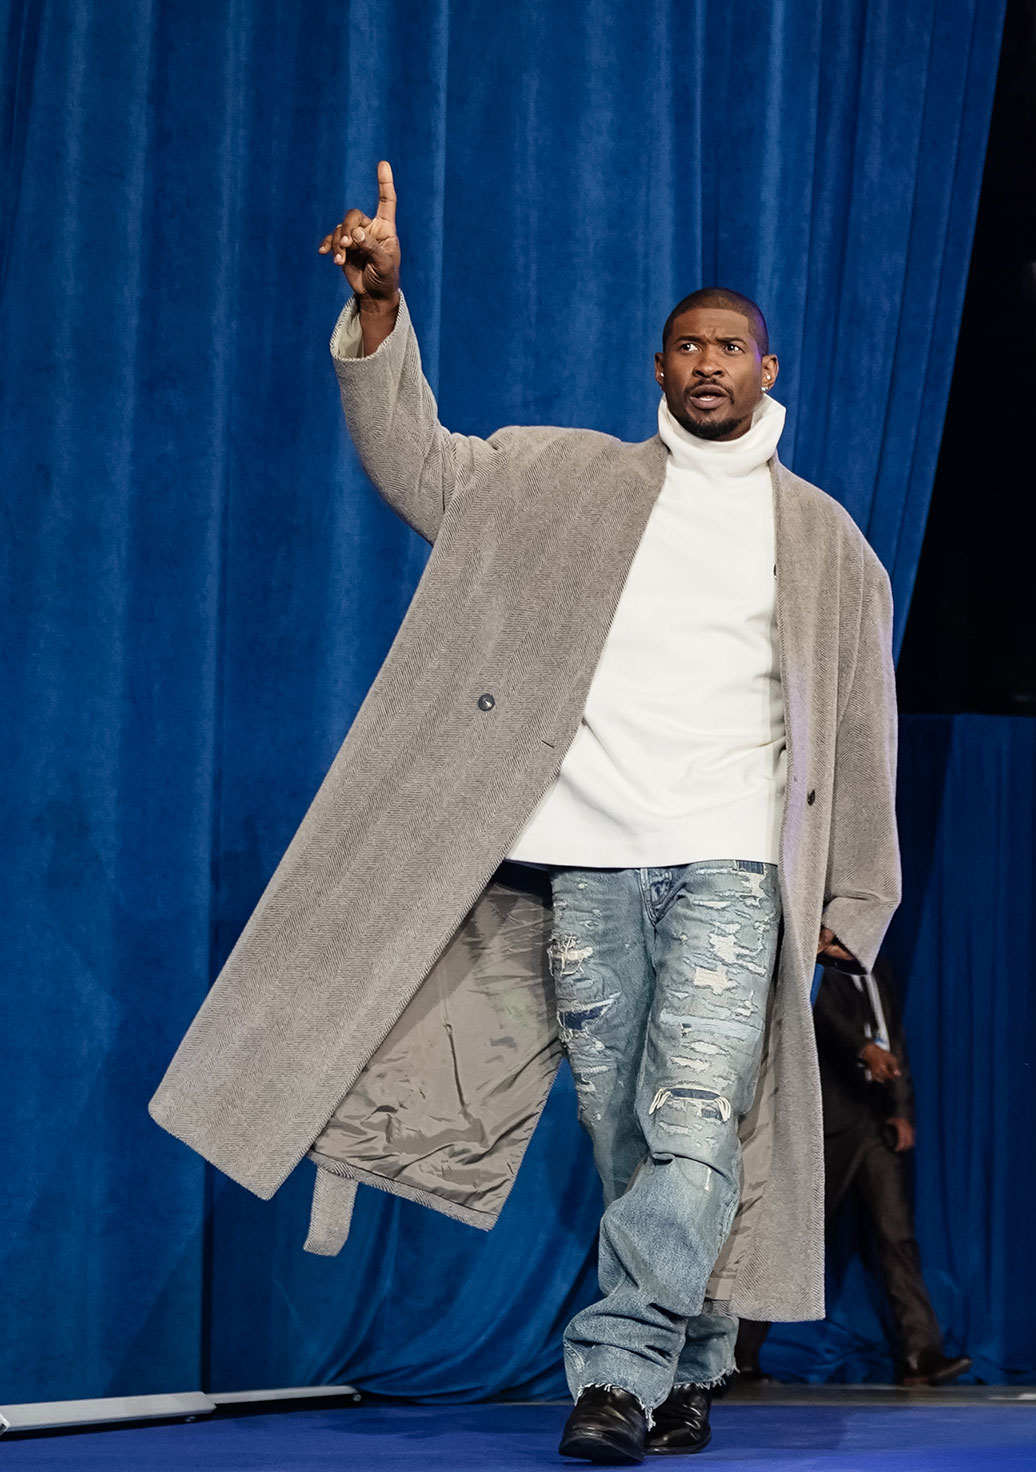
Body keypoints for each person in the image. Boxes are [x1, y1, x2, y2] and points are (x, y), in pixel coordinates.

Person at [150, 165, 904, 1465]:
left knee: (693, 1120)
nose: (709, 364)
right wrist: (384, 313)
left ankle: (613, 1371)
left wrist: (852, 906)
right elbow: (417, 462)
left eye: (732, 346)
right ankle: (691, 1362)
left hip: (729, 865)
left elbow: (861, 735)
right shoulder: (563, 483)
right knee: (625, 1132)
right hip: (589, 867)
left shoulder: (825, 541)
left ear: (769, 369)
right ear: (656, 367)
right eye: (688, 345)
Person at [734, 960, 970, 1388]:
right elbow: (818, 1014)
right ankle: (737, 1357)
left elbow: (893, 1036)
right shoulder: (814, 966)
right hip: (827, 1122)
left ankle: (920, 1354)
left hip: (876, 1121)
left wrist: (900, 1110)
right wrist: (863, 1050)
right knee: (791, 1238)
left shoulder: (879, 968)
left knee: (897, 1236)